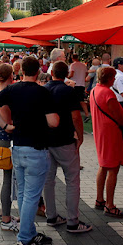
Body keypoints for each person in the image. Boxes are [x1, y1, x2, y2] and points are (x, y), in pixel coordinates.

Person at [0, 56, 60, 245]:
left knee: (23, 194)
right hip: (36, 149)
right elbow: (53, 122)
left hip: (17, 148)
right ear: (38, 71)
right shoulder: (43, 92)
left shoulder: (12, 89)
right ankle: (24, 239)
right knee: (31, 196)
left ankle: (29, 232)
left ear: (21, 71)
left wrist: (5, 126)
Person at [43, 61, 91, 233]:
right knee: (72, 180)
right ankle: (73, 221)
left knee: (48, 180)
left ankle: (51, 215)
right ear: (67, 74)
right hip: (65, 140)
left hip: (46, 141)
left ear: (51, 73)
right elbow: (76, 117)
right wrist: (80, 137)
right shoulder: (68, 91)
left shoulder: (43, 90)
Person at [90, 66, 123, 218]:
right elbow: (118, 114)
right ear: (110, 78)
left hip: (100, 131)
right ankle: (110, 205)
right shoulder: (108, 93)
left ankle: (100, 199)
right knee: (113, 168)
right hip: (111, 132)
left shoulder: (94, 90)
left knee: (103, 165)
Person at [0, 63, 18, 232]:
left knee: (7, 179)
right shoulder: (4, 93)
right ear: (10, 75)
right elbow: (8, 120)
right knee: (8, 179)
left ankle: (5, 213)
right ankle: (6, 218)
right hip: (7, 140)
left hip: (1, 139)